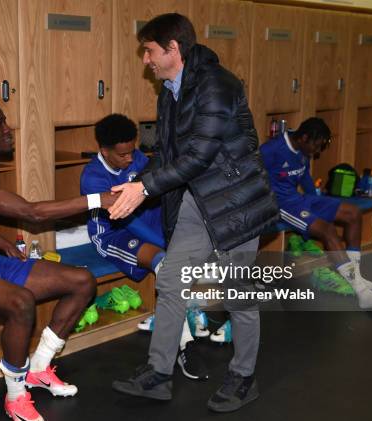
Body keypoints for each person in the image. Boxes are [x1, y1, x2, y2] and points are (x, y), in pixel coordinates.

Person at [108, 14, 279, 413]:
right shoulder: (170, 90)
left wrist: (145, 188)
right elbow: (168, 153)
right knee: (171, 281)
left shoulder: (217, 84)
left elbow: (201, 154)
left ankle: (243, 375)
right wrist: (136, 182)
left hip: (235, 202)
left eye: (149, 51)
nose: (146, 60)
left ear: (173, 48)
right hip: (197, 200)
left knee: (237, 294)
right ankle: (158, 373)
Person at [0, 94, 118, 421]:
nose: (7, 128)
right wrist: (97, 199)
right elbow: (31, 213)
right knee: (20, 302)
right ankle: (16, 396)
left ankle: (39, 367)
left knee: (82, 280)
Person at [80, 113, 209, 381]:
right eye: (122, 154)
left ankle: (167, 318)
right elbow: (127, 217)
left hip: (147, 224)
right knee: (165, 262)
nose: (130, 159)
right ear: (103, 150)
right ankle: (185, 343)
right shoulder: (93, 177)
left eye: (132, 151)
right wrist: (166, 242)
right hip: (113, 233)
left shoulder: (138, 158)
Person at [259, 117, 372, 308]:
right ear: (304, 137)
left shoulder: (303, 150)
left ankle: (358, 278)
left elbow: (305, 178)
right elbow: (250, 176)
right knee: (328, 230)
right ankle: (361, 292)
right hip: (280, 204)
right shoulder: (272, 150)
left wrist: (319, 204)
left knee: (352, 213)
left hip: (299, 199)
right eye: (317, 146)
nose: (318, 151)